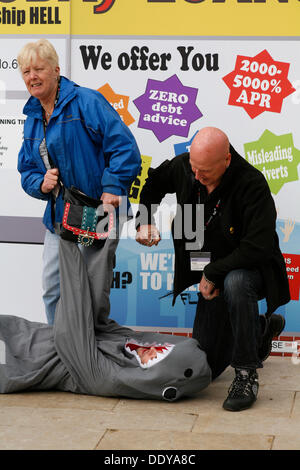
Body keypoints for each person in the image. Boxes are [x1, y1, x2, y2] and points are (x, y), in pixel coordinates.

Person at [136, 127, 290, 412]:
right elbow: (153, 184)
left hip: (248, 269)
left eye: (205, 171)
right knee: (207, 365)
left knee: (235, 282)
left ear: (227, 160)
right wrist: (144, 220)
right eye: (194, 168)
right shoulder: (186, 167)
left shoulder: (252, 183)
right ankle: (258, 330)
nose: (197, 176)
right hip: (208, 267)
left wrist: (214, 272)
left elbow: (257, 247)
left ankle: (246, 374)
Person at [17, 39, 141, 324]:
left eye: (39, 69)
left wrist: (112, 187)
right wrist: (40, 183)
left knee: (91, 293)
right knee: (53, 291)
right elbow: (25, 169)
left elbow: (124, 148)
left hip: (95, 211)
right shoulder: (33, 117)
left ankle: (89, 358)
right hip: (59, 216)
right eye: (26, 72)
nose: (32, 76)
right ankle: (62, 352)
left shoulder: (87, 101)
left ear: (56, 70)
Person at [0, 236, 211, 401]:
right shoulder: (129, 353)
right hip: (18, 335)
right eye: (162, 349)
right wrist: (109, 239)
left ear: (156, 378)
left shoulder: (105, 380)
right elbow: (98, 318)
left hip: (12, 361)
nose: (153, 350)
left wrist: (68, 241)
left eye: (157, 359)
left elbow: (73, 328)